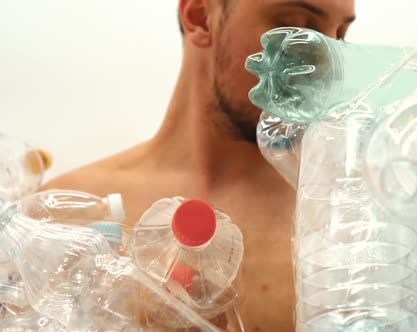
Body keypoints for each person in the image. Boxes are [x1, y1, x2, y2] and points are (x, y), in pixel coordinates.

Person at [41, 0, 356, 330]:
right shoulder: (60, 217)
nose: (328, 63)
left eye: (341, 35)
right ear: (200, 17)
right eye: (298, 27)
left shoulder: (348, 226)